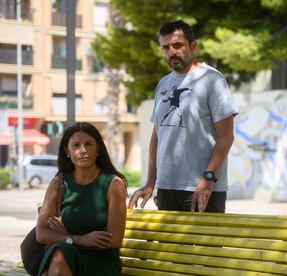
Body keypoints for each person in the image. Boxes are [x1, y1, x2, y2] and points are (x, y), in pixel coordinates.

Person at [128, 20, 238, 213]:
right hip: (166, 188)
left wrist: (208, 178)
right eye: (166, 47)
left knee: (206, 244)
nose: (172, 52)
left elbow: (226, 136)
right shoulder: (163, 83)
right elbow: (157, 138)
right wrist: (149, 183)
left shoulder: (212, 80)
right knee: (167, 244)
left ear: (193, 45)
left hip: (201, 188)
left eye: (178, 45)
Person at [35, 122, 127, 276]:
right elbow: (41, 234)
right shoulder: (59, 183)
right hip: (64, 253)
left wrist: (65, 235)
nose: (83, 150)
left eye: (89, 144)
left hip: (100, 262)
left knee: (56, 261)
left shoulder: (113, 184)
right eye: (76, 145)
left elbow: (115, 240)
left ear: (98, 149)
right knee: (59, 256)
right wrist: (78, 239)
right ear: (67, 151)